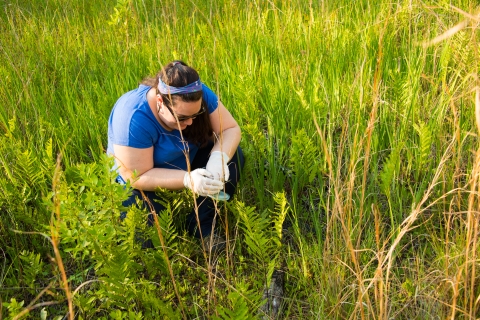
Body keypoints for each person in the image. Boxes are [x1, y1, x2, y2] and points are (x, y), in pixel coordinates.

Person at [107, 60, 244, 248]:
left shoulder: (196, 94)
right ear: (160, 102)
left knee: (232, 159)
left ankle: (201, 225)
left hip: (184, 160)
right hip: (141, 181)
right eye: (181, 118)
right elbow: (135, 176)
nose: (190, 123)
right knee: (151, 240)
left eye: (196, 115)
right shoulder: (132, 116)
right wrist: (188, 180)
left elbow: (230, 129)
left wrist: (217, 158)